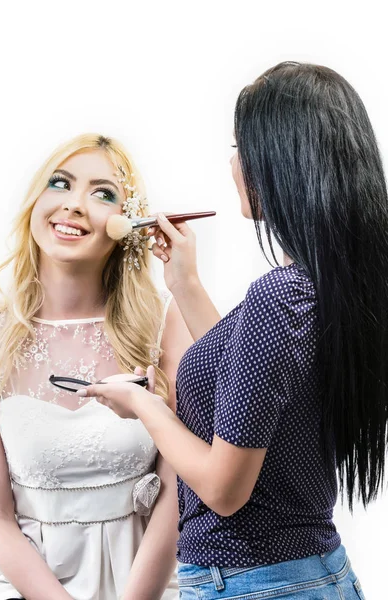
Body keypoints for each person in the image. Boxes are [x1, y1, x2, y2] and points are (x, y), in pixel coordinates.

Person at [77, 63, 388, 599]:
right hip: (311, 575)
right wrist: (186, 284)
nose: (233, 162)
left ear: (279, 161)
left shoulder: (280, 296)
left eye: (241, 147)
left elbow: (223, 491)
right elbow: (258, 377)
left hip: (254, 584)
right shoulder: (325, 288)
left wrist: (145, 408)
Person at [0, 133, 192, 600]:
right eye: (59, 184)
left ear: (128, 223)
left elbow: (180, 488)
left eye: (103, 194)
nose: (75, 205)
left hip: (149, 583)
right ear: (34, 201)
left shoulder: (162, 322)